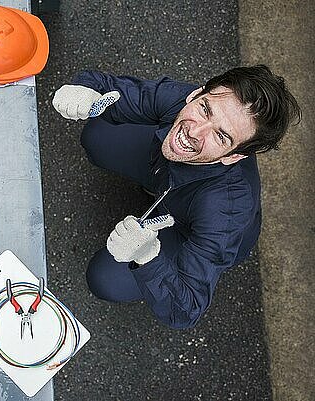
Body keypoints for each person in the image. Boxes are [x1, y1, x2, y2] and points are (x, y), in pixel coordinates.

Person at [52, 65, 301, 329]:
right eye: (205, 109)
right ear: (196, 94)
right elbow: (111, 89)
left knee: (105, 279)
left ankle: (157, 222)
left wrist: (147, 255)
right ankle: (157, 189)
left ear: (234, 156)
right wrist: (85, 91)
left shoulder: (226, 213)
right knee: (98, 134)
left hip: (188, 228)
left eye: (220, 135)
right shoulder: (181, 98)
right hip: (167, 173)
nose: (195, 131)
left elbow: (185, 309)